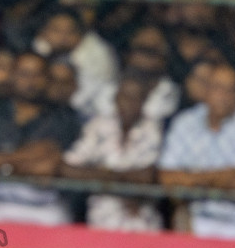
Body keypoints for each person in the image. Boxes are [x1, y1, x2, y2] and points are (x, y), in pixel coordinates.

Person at [0, 50, 81, 225]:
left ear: (47, 79)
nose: (30, 81)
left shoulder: (64, 117)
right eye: (24, 74)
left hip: (46, 206)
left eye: (37, 75)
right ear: (12, 76)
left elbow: (49, 167)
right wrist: (20, 158)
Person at [158, 63, 235, 239]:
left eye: (231, 90)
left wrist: (191, 179)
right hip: (191, 218)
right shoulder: (186, 122)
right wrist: (223, 177)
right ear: (206, 91)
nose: (224, 96)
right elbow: (167, 179)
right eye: (218, 88)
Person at [58, 73, 163, 232]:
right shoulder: (98, 126)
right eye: (124, 97)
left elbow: (148, 176)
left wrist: (103, 176)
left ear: (144, 101)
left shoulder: (153, 130)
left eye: (135, 98)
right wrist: (123, 181)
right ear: (115, 99)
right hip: (99, 222)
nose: (129, 103)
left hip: (143, 225)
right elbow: (68, 168)